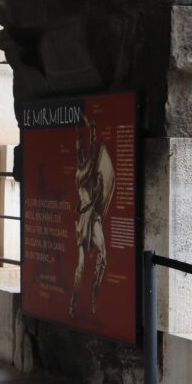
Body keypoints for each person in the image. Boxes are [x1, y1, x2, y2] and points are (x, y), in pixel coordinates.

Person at [69, 119, 115, 319]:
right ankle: (74, 300)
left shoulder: (87, 169)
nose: (82, 154)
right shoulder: (80, 172)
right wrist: (92, 130)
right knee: (80, 266)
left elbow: (93, 153)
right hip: (83, 220)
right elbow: (90, 159)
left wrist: (91, 130)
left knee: (103, 255)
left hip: (93, 216)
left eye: (82, 149)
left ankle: (95, 289)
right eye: (80, 150)